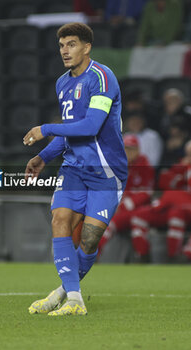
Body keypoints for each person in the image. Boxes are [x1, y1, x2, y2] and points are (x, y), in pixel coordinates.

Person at [23, 22, 128, 316]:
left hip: (107, 171)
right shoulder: (62, 83)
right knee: (60, 219)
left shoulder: (103, 77)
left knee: (90, 239)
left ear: (86, 47)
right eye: (61, 45)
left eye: (71, 44)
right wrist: (44, 156)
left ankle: (63, 293)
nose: (65, 51)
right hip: (74, 167)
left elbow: (92, 126)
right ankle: (75, 302)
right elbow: (71, 132)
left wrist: (44, 128)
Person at [130, 140, 191, 261]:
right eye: (188, 154)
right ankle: (143, 256)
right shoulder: (182, 167)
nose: (189, 157)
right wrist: (180, 170)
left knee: (176, 215)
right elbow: (164, 182)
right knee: (139, 215)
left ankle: (177, 256)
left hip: (182, 208)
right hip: (173, 206)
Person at [98, 133, 155, 256]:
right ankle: (92, 256)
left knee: (138, 224)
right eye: (125, 148)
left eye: (131, 149)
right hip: (121, 209)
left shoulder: (144, 164)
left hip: (140, 208)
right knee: (106, 224)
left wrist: (124, 205)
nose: (128, 152)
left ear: (138, 150)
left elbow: (147, 193)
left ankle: (142, 257)